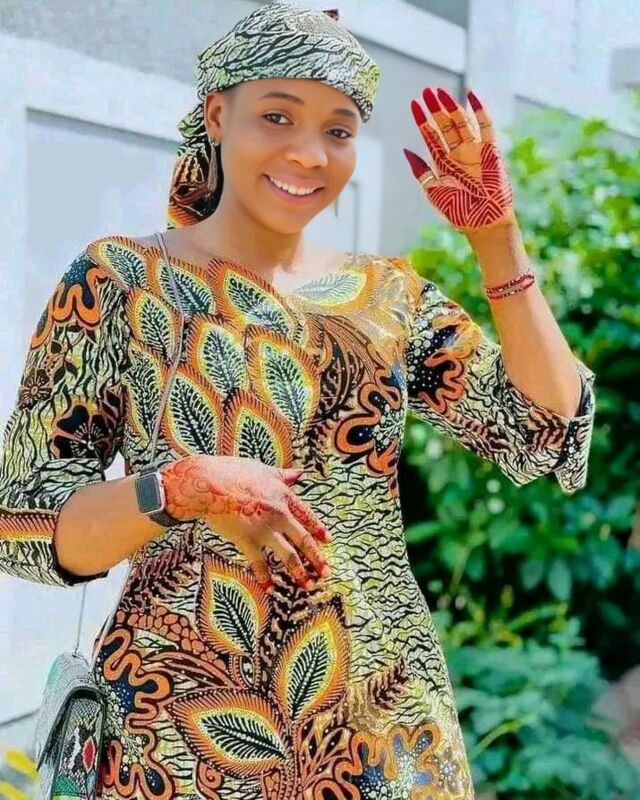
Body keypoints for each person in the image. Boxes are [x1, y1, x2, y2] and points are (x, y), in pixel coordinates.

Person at [0, 2, 596, 798]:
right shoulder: (121, 282)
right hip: (176, 742)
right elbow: (22, 522)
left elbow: (542, 434)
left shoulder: (387, 299)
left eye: (338, 130)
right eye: (277, 117)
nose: (309, 154)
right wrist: (177, 489)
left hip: (380, 734)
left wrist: (497, 238)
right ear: (218, 114)